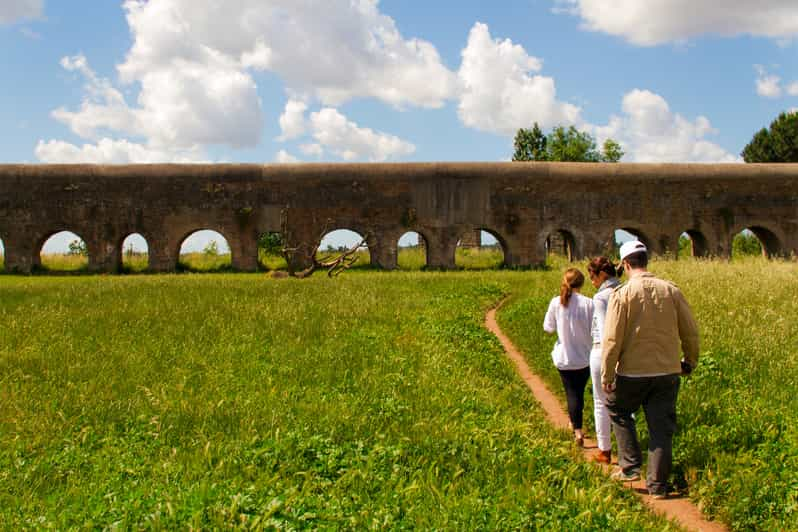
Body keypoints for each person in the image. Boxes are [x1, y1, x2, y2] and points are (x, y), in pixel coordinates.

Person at [601, 241, 699, 499]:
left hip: (632, 373)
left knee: (617, 408)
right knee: (661, 429)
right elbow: (690, 331)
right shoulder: (671, 290)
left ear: (625, 264)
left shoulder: (621, 295)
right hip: (667, 371)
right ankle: (658, 487)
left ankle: (631, 466)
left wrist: (608, 375)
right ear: (646, 261)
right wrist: (689, 360)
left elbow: (612, 340)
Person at [543, 268, 594, 447]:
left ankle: (577, 430)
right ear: (582, 283)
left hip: (564, 357)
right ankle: (576, 425)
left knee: (571, 393)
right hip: (585, 357)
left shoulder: (556, 302)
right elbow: (595, 330)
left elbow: (548, 329)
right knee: (578, 393)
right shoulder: (589, 303)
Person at [587, 256, 621, 464]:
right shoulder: (624, 290)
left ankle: (605, 450)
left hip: (603, 351)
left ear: (602, 275)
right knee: (624, 401)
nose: (592, 282)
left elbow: (605, 329)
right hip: (625, 352)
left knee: (601, 402)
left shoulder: (601, 297)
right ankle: (629, 448)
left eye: (593, 277)